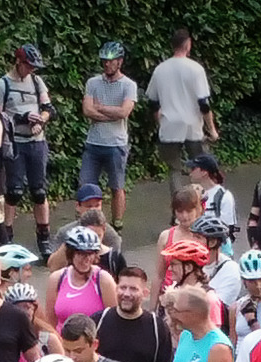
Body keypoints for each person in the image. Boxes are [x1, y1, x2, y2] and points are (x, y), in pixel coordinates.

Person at [0, 44, 57, 249]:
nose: (31, 70)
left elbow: (49, 109)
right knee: (14, 191)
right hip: (15, 143)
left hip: (37, 142)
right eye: (28, 66)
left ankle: (44, 238)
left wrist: (41, 121)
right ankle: (7, 238)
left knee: (39, 191)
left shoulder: (37, 82)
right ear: (18, 62)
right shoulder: (3, 85)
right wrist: (21, 117)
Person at [83, 42, 140, 226]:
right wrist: (110, 113)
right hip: (94, 142)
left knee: (117, 187)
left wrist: (99, 108)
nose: (107, 65)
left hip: (116, 144)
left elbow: (124, 112)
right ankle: (86, 222)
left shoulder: (129, 85)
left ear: (120, 62)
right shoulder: (93, 83)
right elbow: (87, 110)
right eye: (104, 61)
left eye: (111, 61)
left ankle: (117, 224)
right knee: (86, 186)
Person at [146, 29, 218, 172]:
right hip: (193, 127)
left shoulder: (160, 69)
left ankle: (177, 195)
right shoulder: (196, 69)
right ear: (188, 44)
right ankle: (198, 193)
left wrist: (160, 121)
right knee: (201, 168)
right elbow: (203, 104)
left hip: (169, 126)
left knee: (174, 170)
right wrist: (212, 130)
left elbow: (153, 102)